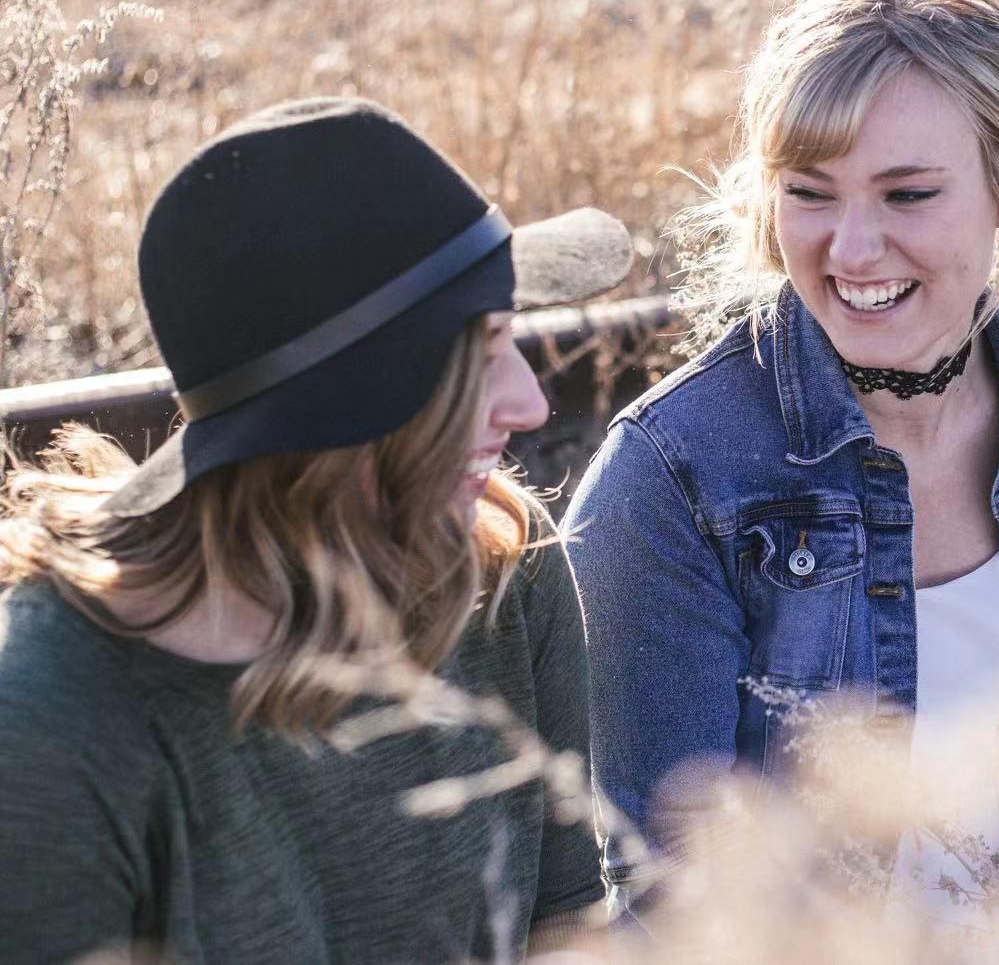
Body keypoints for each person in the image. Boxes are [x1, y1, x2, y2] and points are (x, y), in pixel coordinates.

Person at [563, 0, 999, 935]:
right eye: (811, 192)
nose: (853, 249)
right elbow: (677, 910)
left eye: (908, 194)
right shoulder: (672, 478)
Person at [0, 97, 634, 964]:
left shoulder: (503, 567)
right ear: (351, 407)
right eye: (484, 352)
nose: (531, 403)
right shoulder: (51, 729)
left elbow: (571, 933)